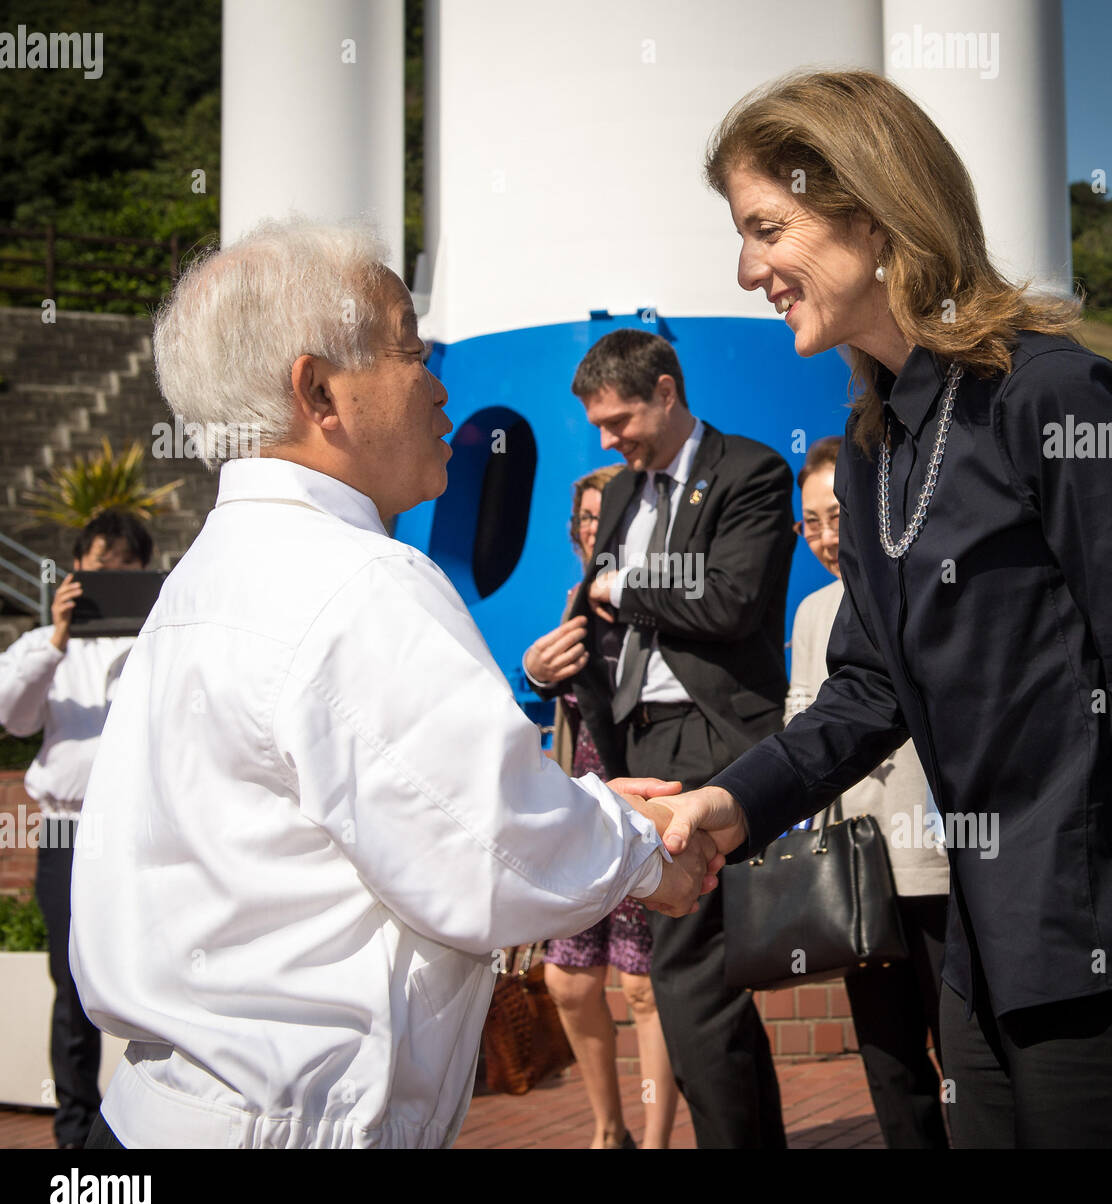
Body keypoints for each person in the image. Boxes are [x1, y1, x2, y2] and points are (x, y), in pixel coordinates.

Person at [654, 69, 1112, 1149]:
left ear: (871, 208)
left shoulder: (1058, 398)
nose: (747, 267)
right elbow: (865, 687)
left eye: (768, 227)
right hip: (982, 943)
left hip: (1110, 943)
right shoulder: (872, 448)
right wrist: (728, 805)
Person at [67, 219, 720, 1150]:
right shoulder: (355, 581)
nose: (440, 382)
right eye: (411, 347)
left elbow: (423, 813)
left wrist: (583, 813)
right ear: (319, 390)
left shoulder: (200, 582)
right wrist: (645, 847)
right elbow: (491, 851)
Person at [531, 327, 794, 1148]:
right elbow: (596, 615)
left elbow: (731, 601)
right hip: (631, 746)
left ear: (668, 392)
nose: (608, 443)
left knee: (683, 975)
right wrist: (545, 667)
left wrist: (621, 584)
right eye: (599, 428)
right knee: (708, 978)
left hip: (712, 741)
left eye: (619, 422)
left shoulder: (752, 472)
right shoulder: (618, 494)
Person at [789, 435, 949, 1149]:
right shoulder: (812, 613)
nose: (825, 537)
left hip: (938, 864)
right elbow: (801, 726)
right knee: (888, 1059)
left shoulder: (924, 583)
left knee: (964, 1053)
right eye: (810, 523)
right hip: (857, 877)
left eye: (836, 514)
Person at [523, 464, 681, 1149]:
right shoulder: (572, 604)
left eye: (604, 517)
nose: (594, 530)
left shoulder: (662, 601)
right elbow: (531, 712)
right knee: (568, 980)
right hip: (580, 811)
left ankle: (654, 1141)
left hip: (643, 809)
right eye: (584, 520)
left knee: (644, 989)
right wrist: (532, 674)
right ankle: (606, 1128)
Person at [0, 510, 151, 1149]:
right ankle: (75, 1133)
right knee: (71, 980)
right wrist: (57, 637)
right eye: (98, 567)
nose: (109, 579)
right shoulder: (43, 646)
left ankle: (147, 1124)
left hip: (143, 832)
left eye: (125, 571)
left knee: (155, 968)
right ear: (75, 569)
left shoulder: (158, 641)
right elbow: (13, 717)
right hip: (68, 831)